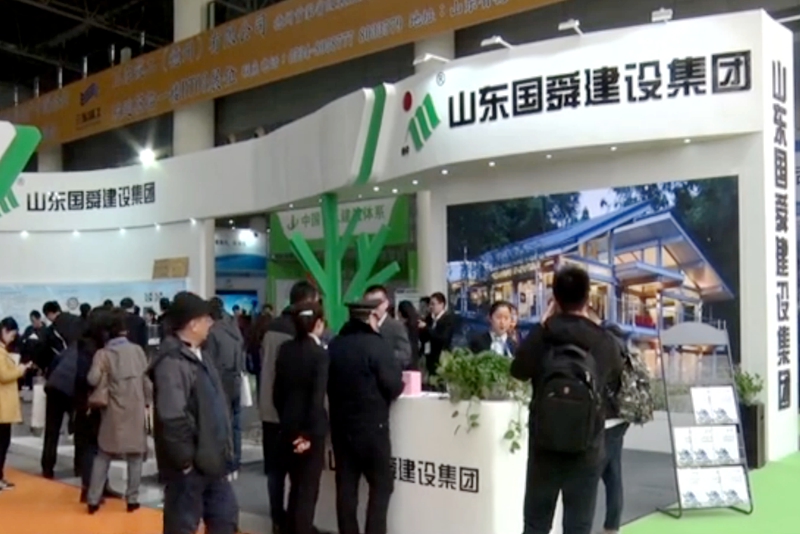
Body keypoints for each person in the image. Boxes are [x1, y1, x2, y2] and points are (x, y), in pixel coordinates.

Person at [510, 266, 623, 534]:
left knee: (536, 524)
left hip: (544, 446)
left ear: (555, 298)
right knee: (578, 527)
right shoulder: (603, 341)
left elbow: (518, 371)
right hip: (586, 447)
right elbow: (614, 375)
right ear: (587, 298)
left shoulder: (543, 335)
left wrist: (543, 323)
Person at [150, 291, 238, 534]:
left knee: (225, 519)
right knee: (182, 525)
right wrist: (186, 461)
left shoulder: (202, 355)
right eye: (206, 319)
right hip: (190, 467)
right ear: (192, 324)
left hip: (212, 461)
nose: (210, 324)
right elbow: (172, 416)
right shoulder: (172, 362)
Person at [327, 300, 404, 534]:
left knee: (346, 488)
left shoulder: (335, 345)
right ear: (370, 318)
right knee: (382, 485)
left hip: (341, 428)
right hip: (372, 428)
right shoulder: (377, 345)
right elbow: (393, 385)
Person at [259, 281, 319, 533]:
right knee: (298, 473)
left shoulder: (270, 327)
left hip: (268, 409)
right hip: (290, 413)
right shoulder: (297, 333)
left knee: (275, 470)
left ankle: (276, 518)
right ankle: (295, 520)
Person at [86, 309, 152, 514]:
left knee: (103, 454)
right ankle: (132, 499)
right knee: (135, 456)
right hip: (135, 409)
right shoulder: (138, 351)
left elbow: (92, 379)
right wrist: (148, 402)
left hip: (113, 411)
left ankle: (93, 499)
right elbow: (147, 381)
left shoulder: (103, 354)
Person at [273, 302, 329, 534]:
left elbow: (277, 393)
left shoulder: (285, 350)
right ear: (318, 324)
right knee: (308, 489)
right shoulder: (320, 355)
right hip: (310, 430)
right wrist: (307, 434)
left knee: (295, 486)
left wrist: (288, 421)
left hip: (287, 426)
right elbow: (317, 398)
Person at [41, 300, 82, 479]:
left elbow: (52, 363)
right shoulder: (86, 346)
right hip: (71, 388)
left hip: (54, 386)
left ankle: (47, 467)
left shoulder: (60, 339)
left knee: (52, 430)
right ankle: (80, 467)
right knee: (80, 429)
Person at [206, 297, 246, 477]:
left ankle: (226, 462)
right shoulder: (234, 327)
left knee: (223, 423)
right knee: (236, 423)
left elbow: (210, 360)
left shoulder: (213, 331)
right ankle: (236, 460)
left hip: (221, 380)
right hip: (236, 379)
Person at [598, 322, 631, 534]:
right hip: (621, 419)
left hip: (604, 421)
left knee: (590, 477)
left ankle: (597, 526)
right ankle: (612, 526)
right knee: (614, 476)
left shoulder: (604, 354)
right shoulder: (625, 353)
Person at [0, 317, 32, 490]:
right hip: (2, 405)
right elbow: (4, 375)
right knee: (2, 443)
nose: (12, 339)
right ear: (4, 331)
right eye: (12, 335)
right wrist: (20, 369)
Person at [364, 285, 412, 369]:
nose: (373, 308)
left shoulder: (396, 327)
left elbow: (405, 355)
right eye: (369, 304)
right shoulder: (362, 326)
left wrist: (381, 355)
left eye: (377, 303)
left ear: (386, 303)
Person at [418, 292, 457, 380]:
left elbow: (443, 338)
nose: (431, 307)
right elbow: (424, 338)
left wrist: (427, 328)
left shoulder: (448, 319)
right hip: (428, 355)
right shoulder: (429, 319)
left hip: (441, 355)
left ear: (441, 304)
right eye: (430, 304)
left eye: (433, 304)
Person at [396, 301, 421, 370]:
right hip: (415, 358)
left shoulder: (401, 327)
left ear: (400, 313)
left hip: (405, 360)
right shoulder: (417, 324)